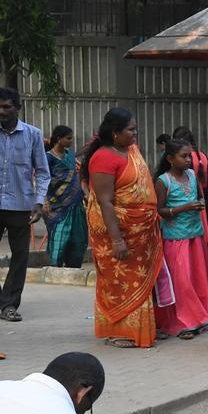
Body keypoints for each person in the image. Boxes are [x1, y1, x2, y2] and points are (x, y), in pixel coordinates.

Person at [84, 108, 164, 349]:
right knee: (120, 282)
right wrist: (117, 240)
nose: (135, 134)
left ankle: (140, 329)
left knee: (138, 279)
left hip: (141, 232)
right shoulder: (104, 157)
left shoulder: (130, 151)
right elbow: (105, 201)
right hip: (117, 232)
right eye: (130, 129)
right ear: (115, 133)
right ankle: (120, 331)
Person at [0, 87, 50, 323]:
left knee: (19, 256)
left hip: (20, 205)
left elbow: (43, 173)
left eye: (6, 107)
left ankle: (10, 304)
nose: (1, 111)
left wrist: (38, 201)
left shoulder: (33, 135)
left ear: (17, 107)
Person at [154, 139, 208, 340]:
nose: (188, 160)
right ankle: (183, 321)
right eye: (183, 156)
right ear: (170, 159)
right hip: (175, 240)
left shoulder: (191, 175)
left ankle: (198, 318)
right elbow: (160, 210)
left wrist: (200, 204)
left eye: (190, 155)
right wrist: (183, 208)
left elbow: (200, 195)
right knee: (182, 282)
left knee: (197, 278)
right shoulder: (164, 181)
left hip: (194, 236)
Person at [44, 125, 88, 269]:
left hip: (76, 204)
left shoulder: (70, 155)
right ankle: (55, 268)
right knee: (59, 237)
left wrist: (85, 194)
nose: (71, 141)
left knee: (78, 238)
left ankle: (74, 267)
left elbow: (76, 176)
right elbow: (42, 180)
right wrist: (44, 202)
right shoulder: (48, 158)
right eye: (68, 138)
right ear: (58, 139)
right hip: (57, 206)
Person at [172, 126, 208, 242]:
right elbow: (206, 185)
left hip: (186, 201)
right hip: (202, 200)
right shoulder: (202, 156)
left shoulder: (182, 158)